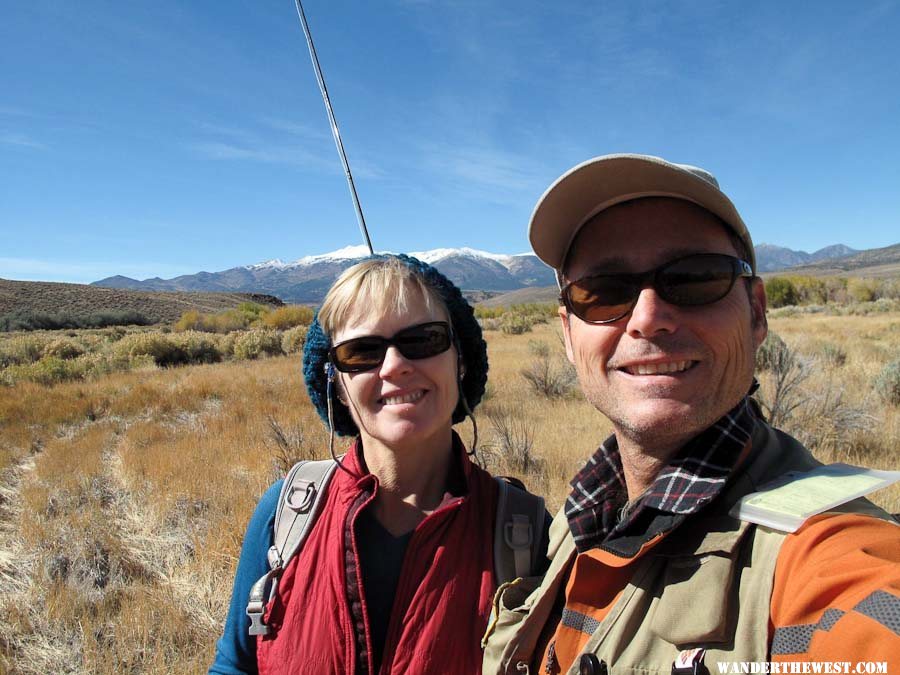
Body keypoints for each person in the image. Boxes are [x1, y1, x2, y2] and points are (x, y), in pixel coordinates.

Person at [482, 154, 900, 674]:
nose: (648, 318)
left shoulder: (827, 558)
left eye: (697, 278)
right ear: (568, 334)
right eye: (604, 292)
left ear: (757, 313)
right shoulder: (577, 519)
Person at [210, 254, 546, 675]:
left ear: (460, 361)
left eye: (423, 340)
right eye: (362, 351)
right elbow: (235, 665)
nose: (394, 366)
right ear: (335, 381)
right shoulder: (286, 515)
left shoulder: (524, 534)